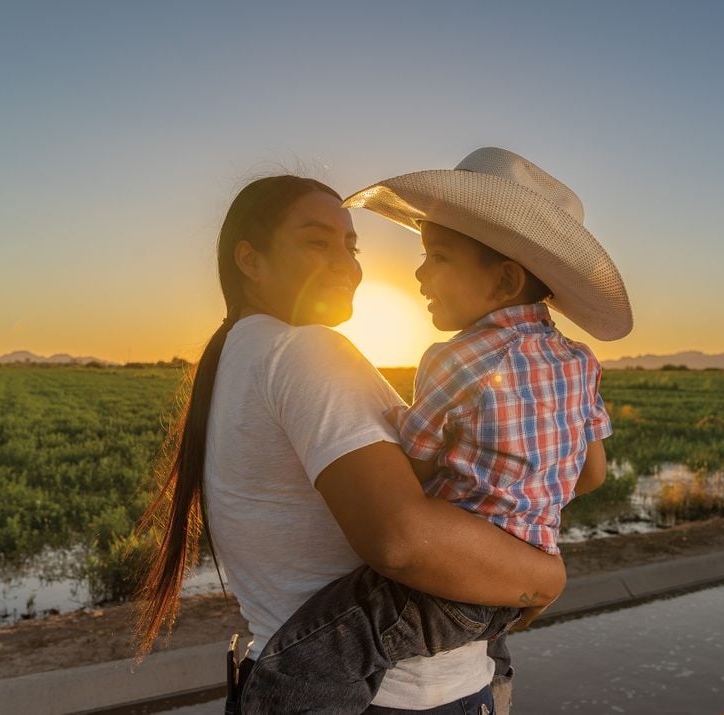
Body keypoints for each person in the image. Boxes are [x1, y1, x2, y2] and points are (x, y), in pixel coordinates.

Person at [133, 175, 567, 715]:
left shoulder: (236, 356)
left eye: (351, 245)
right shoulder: (307, 351)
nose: (347, 264)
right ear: (250, 260)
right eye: (318, 242)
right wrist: (545, 576)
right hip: (396, 698)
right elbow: (401, 540)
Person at [250, 148, 633, 713]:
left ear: (503, 280)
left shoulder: (453, 361)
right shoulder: (579, 360)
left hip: (456, 575)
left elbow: (412, 479)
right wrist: (521, 507)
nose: (420, 273)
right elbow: (592, 473)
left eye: (439, 257)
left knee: (304, 661)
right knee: (483, 661)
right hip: (516, 576)